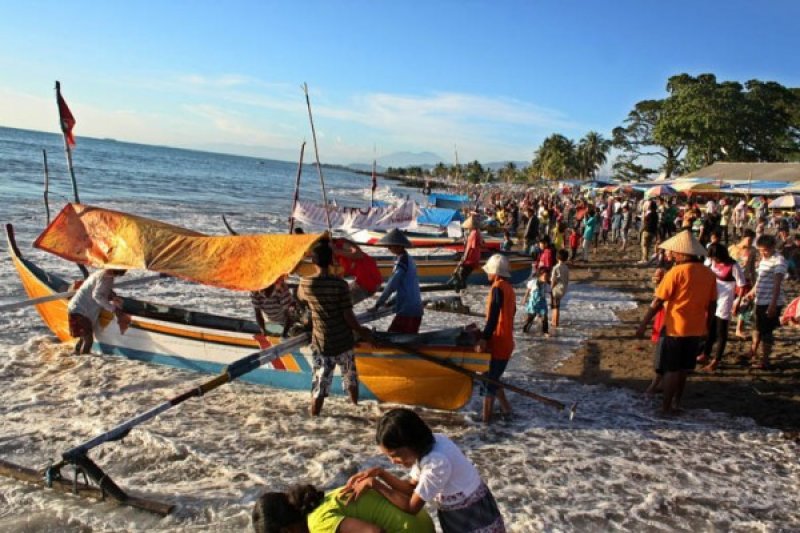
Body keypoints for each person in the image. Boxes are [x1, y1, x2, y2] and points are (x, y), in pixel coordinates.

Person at [343, 408, 506, 533]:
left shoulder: (437, 462)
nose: (394, 461)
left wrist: (375, 485)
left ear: (412, 442)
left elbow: (411, 507)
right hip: (458, 513)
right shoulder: (429, 445)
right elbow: (411, 487)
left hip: (473, 517)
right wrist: (381, 473)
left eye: (396, 455)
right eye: (389, 457)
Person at [636, 231, 717, 415]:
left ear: (681, 253)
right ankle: (677, 403)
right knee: (683, 369)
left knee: (671, 369)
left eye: (673, 252)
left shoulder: (676, 272)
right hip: (696, 327)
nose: (671, 254)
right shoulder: (708, 273)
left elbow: (658, 301)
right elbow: (712, 305)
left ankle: (665, 407)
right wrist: (707, 326)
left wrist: (643, 324)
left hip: (675, 327)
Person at [297, 240, 373, 416]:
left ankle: (314, 419)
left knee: (320, 386)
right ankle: (355, 409)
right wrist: (362, 332)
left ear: (314, 262)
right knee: (350, 379)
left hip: (323, 342)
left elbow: (301, 300)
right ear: (332, 261)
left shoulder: (306, 284)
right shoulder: (340, 285)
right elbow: (348, 316)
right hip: (344, 340)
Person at [252, 483, 435, 533]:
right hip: (422, 523)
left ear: (286, 532)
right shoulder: (325, 501)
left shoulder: (318, 525)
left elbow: (374, 532)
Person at [475, 254, 516, 423]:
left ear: (495, 273)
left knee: (488, 383)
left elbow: (493, 316)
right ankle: (507, 410)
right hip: (506, 341)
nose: (487, 275)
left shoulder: (497, 288)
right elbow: (511, 313)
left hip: (498, 342)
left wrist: (484, 338)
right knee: (494, 378)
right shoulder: (509, 289)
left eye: (489, 272)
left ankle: (486, 420)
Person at [696, 243, 746, 372]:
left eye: (715, 258)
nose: (714, 260)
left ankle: (715, 361)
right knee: (710, 327)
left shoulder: (733, 266)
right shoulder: (711, 262)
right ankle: (705, 354)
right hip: (713, 296)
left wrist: (737, 302)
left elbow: (742, 285)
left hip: (726, 299)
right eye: (712, 258)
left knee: (721, 331)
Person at [742, 234, 787, 370]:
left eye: (765, 250)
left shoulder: (778, 260)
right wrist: (752, 292)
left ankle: (765, 360)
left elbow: (777, 284)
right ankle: (753, 351)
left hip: (771, 301)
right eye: (760, 250)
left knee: (767, 331)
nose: (762, 253)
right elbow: (760, 279)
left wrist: (773, 305)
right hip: (760, 299)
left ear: (773, 247)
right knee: (757, 328)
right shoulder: (763, 259)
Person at [371, 229, 423, 334]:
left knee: (393, 338)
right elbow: (405, 287)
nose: (388, 248)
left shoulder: (402, 262)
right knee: (407, 339)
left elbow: (392, 285)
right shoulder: (409, 259)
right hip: (414, 308)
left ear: (399, 246)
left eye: (391, 246)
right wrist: (390, 302)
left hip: (407, 311)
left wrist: (378, 304)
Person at [67, 268, 128, 355]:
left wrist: (110, 295)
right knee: (88, 340)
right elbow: (97, 295)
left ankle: (77, 355)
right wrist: (114, 309)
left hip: (75, 308)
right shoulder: (107, 277)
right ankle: (84, 362)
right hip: (80, 311)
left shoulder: (100, 273)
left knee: (83, 337)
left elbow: (99, 290)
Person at [332, 239, 382, 305]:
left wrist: (336, 251)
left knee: (341, 304)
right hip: (361, 282)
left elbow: (357, 254)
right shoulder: (337, 257)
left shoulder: (341, 244)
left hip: (369, 282)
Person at [728, 229, 758, 338]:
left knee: (747, 305)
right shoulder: (732, 249)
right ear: (743, 238)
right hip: (731, 280)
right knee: (727, 304)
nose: (750, 242)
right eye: (749, 240)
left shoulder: (753, 250)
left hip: (746, 280)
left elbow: (752, 269)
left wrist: (754, 282)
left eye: (752, 240)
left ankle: (739, 329)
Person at [450, 216, 483, 291]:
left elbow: (472, 248)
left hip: (471, 258)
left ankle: (460, 288)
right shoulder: (476, 232)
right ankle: (462, 288)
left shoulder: (474, 233)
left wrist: (464, 258)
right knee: (462, 275)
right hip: (472, 257)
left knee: (462, 274)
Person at [522, 268, 550, 337]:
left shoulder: (546, 285)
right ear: (540, 275)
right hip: (533, 303)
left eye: (547, 276)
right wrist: (525, 298)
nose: (546, 278)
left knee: (545, 317)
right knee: (530, 318)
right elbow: (528, 290)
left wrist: (552, 301)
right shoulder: (533, 282)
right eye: (545, 276)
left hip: (542, 303)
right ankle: (525, 330)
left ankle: (545, 332)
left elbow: (550, 293)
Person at [550, 249, 570, 329]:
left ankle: (554, 322)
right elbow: (567, 279)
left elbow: (553, 280)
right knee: (557, 305)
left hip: (556, 288)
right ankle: (555, 321)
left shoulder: (556, 268)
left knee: (555, 306)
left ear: (557, 258)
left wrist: (551, 288)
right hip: (564, 288)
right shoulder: (566, 267)